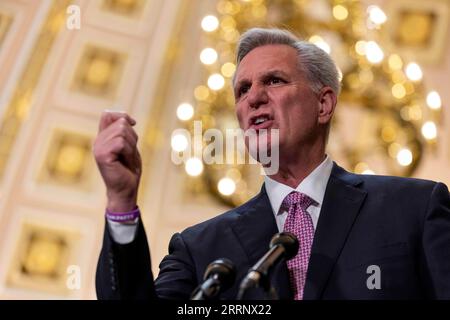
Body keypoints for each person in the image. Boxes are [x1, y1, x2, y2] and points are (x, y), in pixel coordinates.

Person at [94, 28, 450, 300]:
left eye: (274, 80)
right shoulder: (200, 247)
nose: (254, 98)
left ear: (323, 104)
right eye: (242, 89)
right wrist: (121, 201)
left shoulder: (415, 208)